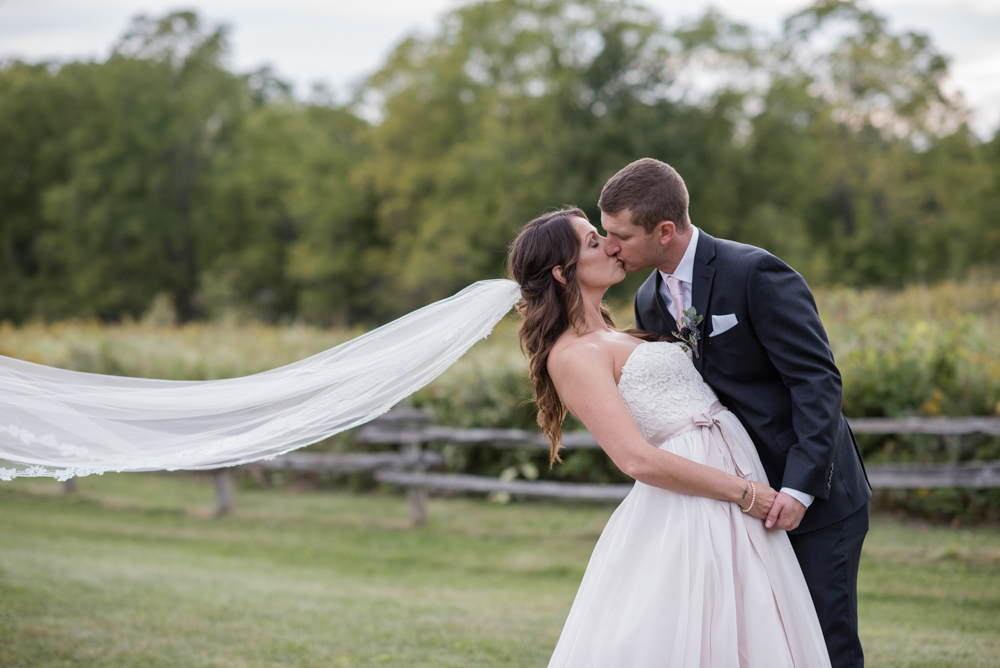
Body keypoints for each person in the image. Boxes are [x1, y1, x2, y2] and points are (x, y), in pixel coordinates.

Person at [508, 207, 832, 667]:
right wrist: (745, 494)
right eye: (594, 242)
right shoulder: (572, 355)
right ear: (562, 273)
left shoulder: (625, 329)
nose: (611, 245)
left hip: (732, 469)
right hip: (696, 497)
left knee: (750, 620)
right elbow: (635, 459)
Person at [598, 158, 871, 667]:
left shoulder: (754, 272)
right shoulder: (648, 299)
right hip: (732, 500)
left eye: (620, 236)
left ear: (664, 231)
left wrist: (798, 488)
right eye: (604, 233)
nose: (609, 246)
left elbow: (815, 380)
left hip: (811, 494)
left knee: (823, 640)